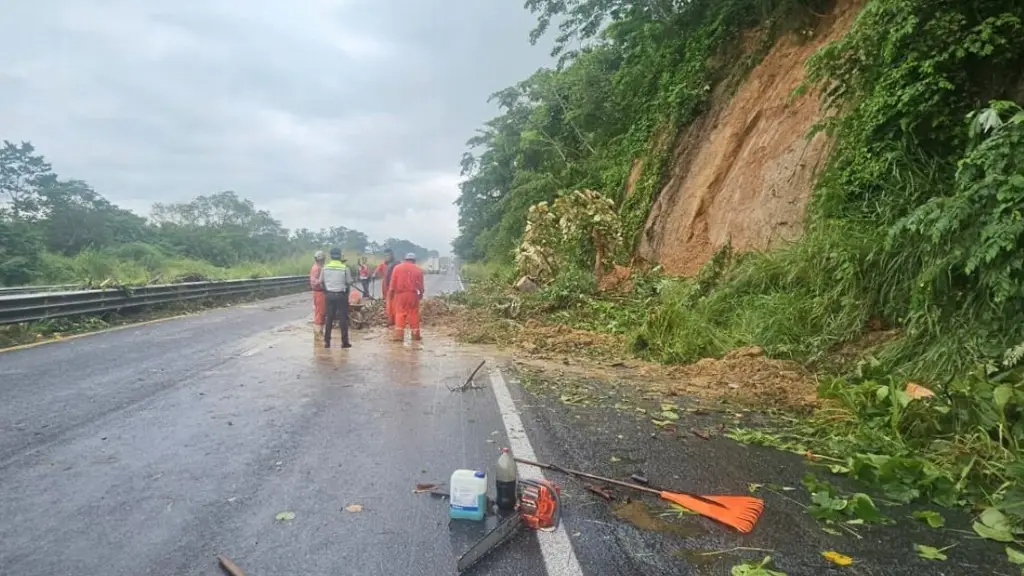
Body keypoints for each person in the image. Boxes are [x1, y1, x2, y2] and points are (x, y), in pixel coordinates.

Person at [319, 247, 353, 348]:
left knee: (329, 318)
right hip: (341, 296)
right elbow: (349, 282)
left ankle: (327, 342)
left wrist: (326, 291)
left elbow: (321, 282)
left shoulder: (325, 268)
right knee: (343, 319)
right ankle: (344, 342)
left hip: (329, 295)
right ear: (340, 256)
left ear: (331, 256)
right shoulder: (345, 268)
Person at [388, 252, 425, 342]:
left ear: (405, 259)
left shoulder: (397, 268)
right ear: (414, 260)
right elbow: (421, 286)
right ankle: (415, 336)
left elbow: (392, 284)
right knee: (414, 314)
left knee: (400, 313)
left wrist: (391, 295)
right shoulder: (418, 270)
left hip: (400, 295)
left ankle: (399, 336)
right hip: (413, 295)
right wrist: (420, 295)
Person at [375, 250, 398, 327]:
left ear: (392, 255)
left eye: (388, 255)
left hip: (394, 286)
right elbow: (377, 270)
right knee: (388, 302)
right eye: (385, 256)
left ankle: (393, 320)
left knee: (394, 303)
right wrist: (374, 274)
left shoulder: (396, 264)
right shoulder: (383, 264)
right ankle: (391, 319)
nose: (386, 257)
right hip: (386, 285)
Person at [309, 251, 326, 337]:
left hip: (319, 292)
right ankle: (318, 333)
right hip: (319, 292)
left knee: (321, 312)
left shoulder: (318, 267)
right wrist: (322, 282)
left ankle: (319, 332)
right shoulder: (317, 268)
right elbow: (314, 282)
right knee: (320, 312)